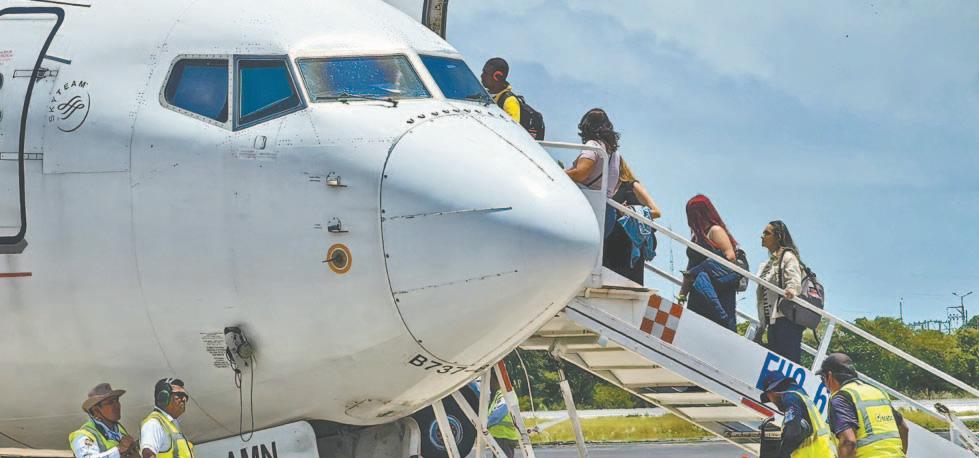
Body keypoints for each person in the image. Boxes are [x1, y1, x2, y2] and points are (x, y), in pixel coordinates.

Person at [817, 353, 909, 457]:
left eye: (823, 378)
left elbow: (848, 441)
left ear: (829, 376)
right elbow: (904, 428)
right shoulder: (877, 392)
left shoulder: (841, 398)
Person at [677, 194, 740, 331]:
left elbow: (730, 256)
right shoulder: (696, 237)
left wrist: (700, 270)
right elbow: (690, 268)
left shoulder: (715, 230)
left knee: (719, 326)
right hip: (699, 290)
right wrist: (682, 295)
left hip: (716, 289)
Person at [603, 159, 661, 284]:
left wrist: (631, 211)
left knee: (628, 282)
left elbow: (656, 212)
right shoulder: (605, 188)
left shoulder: (631, 186)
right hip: (612, 242)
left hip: (630, 241)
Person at [756, 220, 805, 363]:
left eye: (767, 233)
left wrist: (791, 290)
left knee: (786, 364)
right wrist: (762, 325)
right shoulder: (768, 263)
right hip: (773, 323)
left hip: (786, 322)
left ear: (778, 237)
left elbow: (794, 281)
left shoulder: (788, 256)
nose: (762, 236)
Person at [758, 371, 836, 457]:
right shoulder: (800, 396)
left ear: (771, 392)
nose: (772, 402)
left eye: (769, 398)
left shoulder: (790, 399)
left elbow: (793, 431)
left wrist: (781, 454)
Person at [69, 383, 137, 458]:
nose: (117, 405)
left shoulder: (121, 431)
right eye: (110, 402)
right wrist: (119, 450)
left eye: (117, 400)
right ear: (96, 411)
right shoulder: (83, 435)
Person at [141, 378, 194, 458]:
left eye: (185, 397)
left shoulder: (170, 424)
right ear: (163, 397)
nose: (184, 399)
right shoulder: (154, 423)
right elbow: (148, 454)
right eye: (179, 395)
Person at [486, 376, 520, 458]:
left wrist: (485, 424)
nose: (489, 383)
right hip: (502, 436)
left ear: (498, 381)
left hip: (503, 436)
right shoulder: (503, 394)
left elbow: (499, 413)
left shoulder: (504, 394)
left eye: (491, 380)